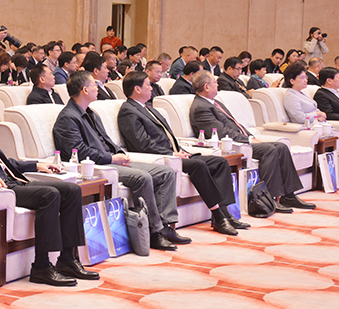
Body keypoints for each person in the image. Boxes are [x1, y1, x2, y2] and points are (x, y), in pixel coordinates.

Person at [0, 78, 98, 286]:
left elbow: (4, 161)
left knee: (71, 190)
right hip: (0, 188)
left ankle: (67, 259)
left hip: (13, 180)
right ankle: (41, 267)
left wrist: (36, 165)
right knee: (49, 195)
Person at [52, 70, 186, 250]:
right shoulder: (68, 118)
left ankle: (166, 226)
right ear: (85, 90)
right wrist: (112, 158)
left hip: (111, 159)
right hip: (97, 165)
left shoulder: (91, 113)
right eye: (94, 85)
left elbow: (106, 141)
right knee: (142, 177)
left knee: (166, 172)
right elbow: (79, 152)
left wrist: (120, 154)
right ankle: (154, 232)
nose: (98, 88)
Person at [118, 72, 247, 235]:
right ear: (137, 89)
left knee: (219, 162)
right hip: (160, 158)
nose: (151, 88)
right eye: (148, 85)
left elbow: (168, 136)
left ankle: (225, 213)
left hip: (175, 153)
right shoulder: (128, 111)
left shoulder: (148, 108)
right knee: (198, 165)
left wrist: (180, 150)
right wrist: (172, 154)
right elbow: (142, 144)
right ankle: (219, 217)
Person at [189, 70, 314, 212]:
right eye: (215, 82)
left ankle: (289, 196)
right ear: (206, 87)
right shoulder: (200, 108)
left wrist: (250, 135)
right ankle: (269, 198)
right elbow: (220, 132)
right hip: (230, 145)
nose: (217, 85)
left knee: (282, 147)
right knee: (270, 150)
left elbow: (236, 124)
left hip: (241, 139)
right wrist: (248, 139)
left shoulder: (215, 102)